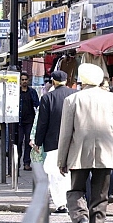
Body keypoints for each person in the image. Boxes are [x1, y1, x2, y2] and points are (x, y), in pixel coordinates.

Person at [57, 63, 113, 223]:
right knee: (100, 196)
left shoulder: (72, 100)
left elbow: (66, 133)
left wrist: (62, 160)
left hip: (79, 153)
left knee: (76, 190)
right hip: (107, 154)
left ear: (82, 80)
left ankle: (80, 217)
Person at [34, 70, 76, 214]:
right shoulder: (75, 95)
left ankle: (60, 204)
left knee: (54, 174)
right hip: (73, 141)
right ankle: (72, 202)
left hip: (53, 142)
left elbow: (42, 123)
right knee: (71, 173)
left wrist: (38, 142)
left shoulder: (47, 98)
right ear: (67, 80)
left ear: (53, 82)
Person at [17, 72, 40, 171]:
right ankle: (16, 162)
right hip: (19, 121)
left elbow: (37, 105)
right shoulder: (17, 92)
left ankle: (26, 162)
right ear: (20, 81)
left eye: (26, 79)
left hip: (30, 120)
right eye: (22, 80)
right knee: (18, 141)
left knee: (28, 142)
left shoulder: (32, 92)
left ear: (28, 80)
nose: (24, 81)